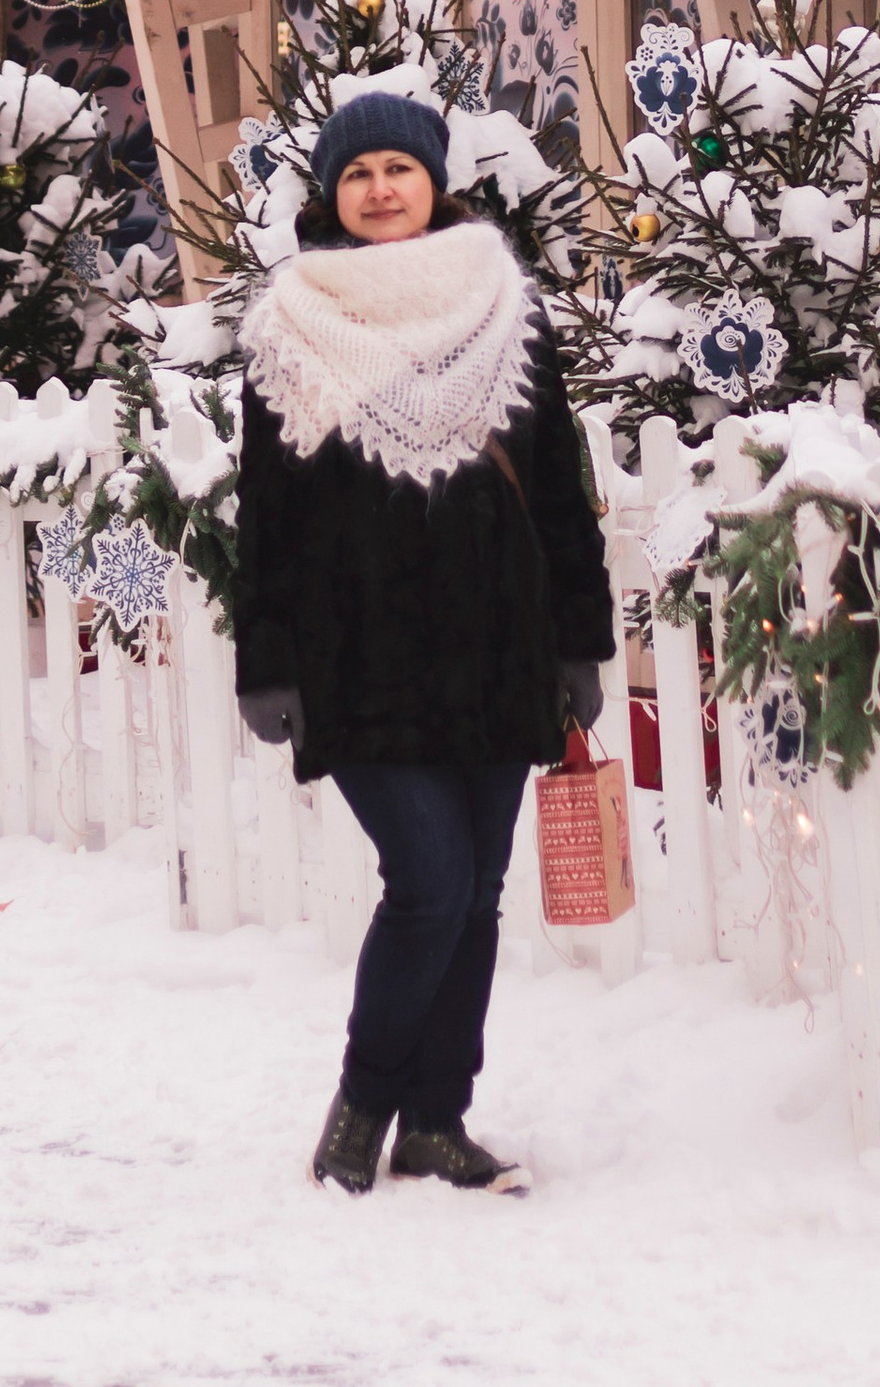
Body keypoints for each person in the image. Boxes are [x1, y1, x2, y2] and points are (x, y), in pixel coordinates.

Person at [231, 83, 614, 1196]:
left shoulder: (506, 304)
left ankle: (438, 1120)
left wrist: (576, 646)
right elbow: (265, 513)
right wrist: (268, 662)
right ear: (331, 196)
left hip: (498, 643)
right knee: (430, 881)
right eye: (356, 174)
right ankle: (361, 1105)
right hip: (360, 656)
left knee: (480, 888)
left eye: (397, 169)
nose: (380, 189)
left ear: (434, 181)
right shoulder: (291, 322)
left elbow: (556, 490)